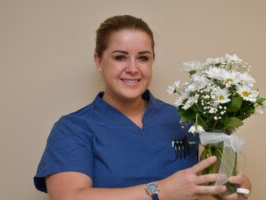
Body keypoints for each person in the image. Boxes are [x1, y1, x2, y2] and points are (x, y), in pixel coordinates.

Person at [34, 15, 252, 200]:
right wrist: (162, 190)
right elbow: (71, 197)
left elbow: (210, 176)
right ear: (98, 61)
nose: (132, 68)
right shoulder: (73, 128)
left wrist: (238, 189)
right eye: (120, 57)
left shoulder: (184, 119)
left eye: (143, 58)